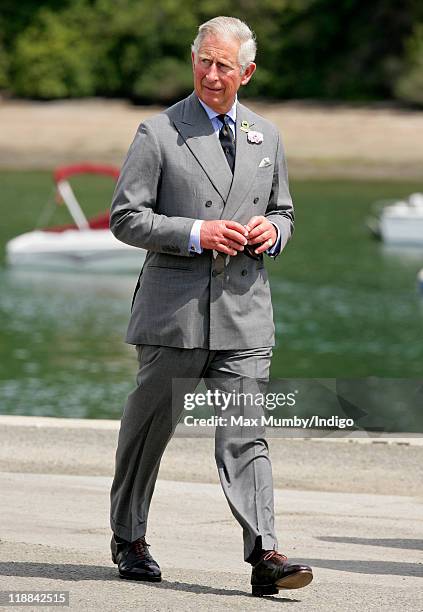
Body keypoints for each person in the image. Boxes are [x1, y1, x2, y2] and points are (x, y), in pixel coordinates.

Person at [109, 16, 313, 597]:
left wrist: (273, 231)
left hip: (244, 311)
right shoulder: (158, 131)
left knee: (246, 433)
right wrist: (198, 232)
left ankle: (265, 554)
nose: (212, 74)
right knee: (149, 431)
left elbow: (286, 212)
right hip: (172, 313)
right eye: (205, 61)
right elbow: (126, 218)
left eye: (225, 65)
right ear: (193, 60)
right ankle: (129, 538)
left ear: (247, 72)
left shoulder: (267, 136)